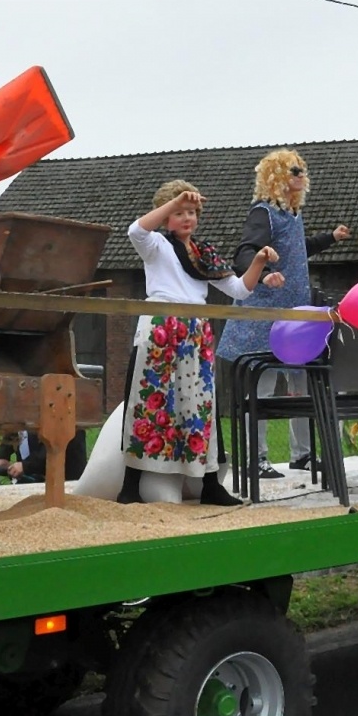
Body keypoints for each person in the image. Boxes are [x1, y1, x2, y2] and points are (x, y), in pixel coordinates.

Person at [118, 181, 281, 506]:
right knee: (147, 403)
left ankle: (209, 484)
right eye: (179, 212)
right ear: (166, 216)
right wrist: (173, 201)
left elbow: (239, 289)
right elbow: (135, 230)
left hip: (195, 333)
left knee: (202, 406)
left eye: (191, 211)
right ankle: (130, 485)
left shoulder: (204, 255)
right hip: (160, 330)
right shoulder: (156, 246)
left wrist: (260, 263)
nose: (187, 217)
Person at [215, 149, 349, 479]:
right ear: (276, 177)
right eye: (293, 170)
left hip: (296, 316)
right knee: (262, 384)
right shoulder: (263, 213)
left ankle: (302, 455)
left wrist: (329, 238)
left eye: (302, 170)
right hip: (266, 315)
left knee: (300, 383)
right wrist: (262, 274)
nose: (301, 175)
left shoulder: (291, 214)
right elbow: (245, 253)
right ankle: (255, 458)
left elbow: (298, 248)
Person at [0, 428, 87, 484]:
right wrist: (3, 456)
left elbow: (54, 445)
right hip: (30, 479)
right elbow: (14, 426)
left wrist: (26, 466)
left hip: (65, 482)